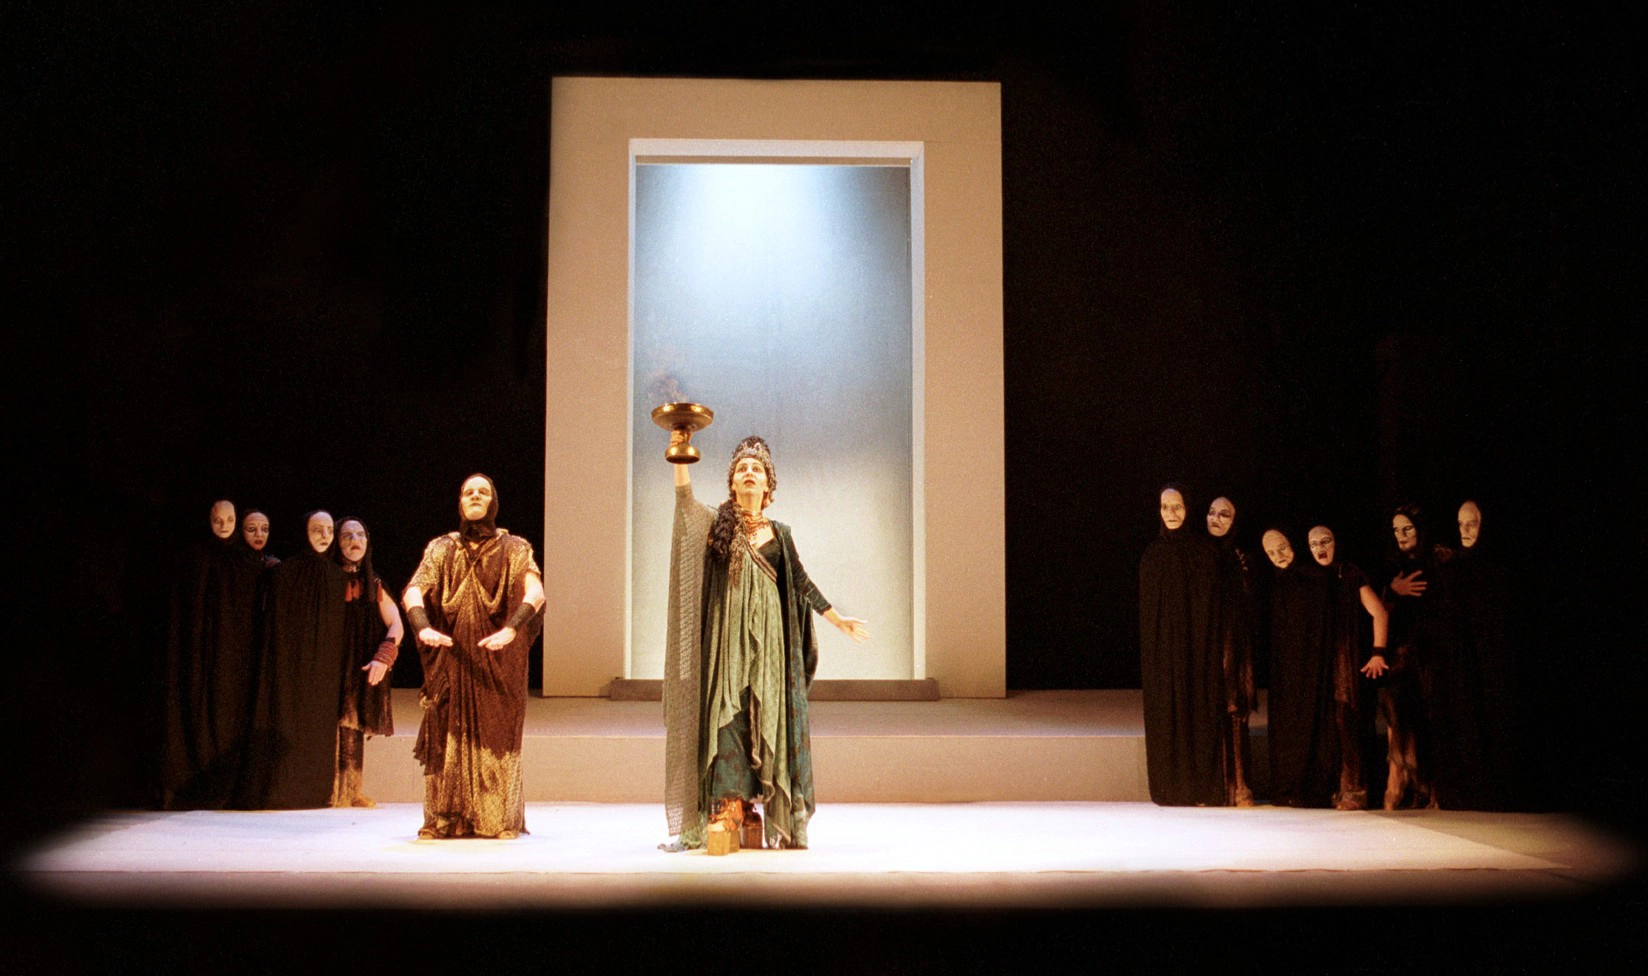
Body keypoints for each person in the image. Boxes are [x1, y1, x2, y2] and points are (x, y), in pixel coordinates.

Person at [661, 433, 868, 851]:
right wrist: (680, 454)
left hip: (770, 644)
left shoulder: (780, 534)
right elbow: (685, 503)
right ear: (732, 484)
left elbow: (802, 582)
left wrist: (836, 618)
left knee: (765, 716)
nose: (749, 473)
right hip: (728, 640)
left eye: (757, 469)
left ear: (768, 486)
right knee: (729, 713)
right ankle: (728, 803)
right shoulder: (717, 525)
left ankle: (753, 803)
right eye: (742, 469)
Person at [403, 475, 544, 839]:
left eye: (483, 492)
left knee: (496, 736)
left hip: (497, 663)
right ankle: (444, 819)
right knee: (446, 736)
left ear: (493, 501)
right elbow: (413, 591)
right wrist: (422, 627)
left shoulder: (514, 548)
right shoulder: (441, 548)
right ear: (460, 502)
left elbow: (535, 592)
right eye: (469, 492)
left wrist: (512, 628)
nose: (475, 496)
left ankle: (496, 819)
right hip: (451, 660)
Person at [238, 510, 347, 809]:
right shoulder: (285, 573)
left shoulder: (337, 577)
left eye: (329, 530)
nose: (324, 535)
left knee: (316, 725)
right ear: (304, 532)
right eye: (317, 529)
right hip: (289, 666)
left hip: (323, 669)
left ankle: (313, 791)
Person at [161, 499, 264, 809]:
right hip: (195, 654)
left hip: (232, 659)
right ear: (208, 520)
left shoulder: (245, 563)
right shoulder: (194, 559)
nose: (223, 526)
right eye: (218, 520)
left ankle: (225, 787)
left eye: (229, 520)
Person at [1427, 500, 1519, 809]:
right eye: (1460, 524)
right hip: (1461, 663)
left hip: (1492, 663)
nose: (1465, 530)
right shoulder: (1452, 569)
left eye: (1472, 524)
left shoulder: (1496, 568)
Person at [1137, 485, 1225, 807]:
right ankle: (1169, 788)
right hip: (1163, 656)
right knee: (1166, 711)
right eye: (1165, 507)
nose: (1171, 513)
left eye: (1177, 506)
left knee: (1197, 709)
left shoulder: (1204, 554)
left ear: (1189, 508)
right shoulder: (1152, 556)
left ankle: (1201, 789)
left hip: (1197, 652)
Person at [1306, 524, 1390, 810]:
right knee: (1330, 725)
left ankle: (1355, 790)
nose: (1320, 548)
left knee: (1347, 722)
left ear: (1336, 543)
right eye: (1313, 544)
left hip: (1346, 659)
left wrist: (1378, 652)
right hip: (1324, 663)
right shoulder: (1314, 579)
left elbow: (1379, 612)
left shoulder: (1350, 575)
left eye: (1325, 541)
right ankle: (1337, 787)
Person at [1378, 504, 1452, 809]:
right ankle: (1398, 782)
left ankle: (1431, 788)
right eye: (1396, 530)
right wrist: (1394, 590)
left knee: (1429, 715)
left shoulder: (1437, 560)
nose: (1401, 535)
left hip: (1432, 650)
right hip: (1402, 650)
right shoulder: (1392, 565)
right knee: (1397, 711)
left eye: (1407, 528)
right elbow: (1382, 609)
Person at [1261, 528, 1339, 807]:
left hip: (1313, 664)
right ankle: (1288, 786)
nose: (1278, 556)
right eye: (1270, 553)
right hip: (1285, 669)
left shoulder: (1316, 579)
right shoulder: (1276, 583)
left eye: (1282, 547)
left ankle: (1312, 787)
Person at [332, 518, 402, 808]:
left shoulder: (373, 584)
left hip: (358, 662)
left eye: (360, 534)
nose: (354, 540)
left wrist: (383, 657)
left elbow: (396, 624)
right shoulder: (327, 579)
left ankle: (351, 791)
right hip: (327, 663)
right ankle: (326, 790)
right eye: (347, 535)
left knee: (353, 724)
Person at [1206, 496, 1255, 806]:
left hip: (1230, 641)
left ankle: (1240, 784)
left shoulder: (1240, 557)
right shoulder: (1199, 553)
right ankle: (1216, 786)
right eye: (1211, 512)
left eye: (1224, 514)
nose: (1215, 518)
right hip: (1206, 639)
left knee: (1233, 705)